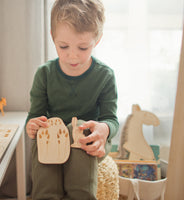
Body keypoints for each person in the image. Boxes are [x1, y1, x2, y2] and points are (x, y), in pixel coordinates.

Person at [26, 0, 119, 199]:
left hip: (88, 139)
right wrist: (32, 126)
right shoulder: (44, 74)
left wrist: (105, 129)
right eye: (64, 46)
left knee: (79, 129)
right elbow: (35, 117)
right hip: (54, 136)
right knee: (45, 135)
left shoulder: (105, 76)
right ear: (53, 37)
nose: (73, 56)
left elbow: (111, 119)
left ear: (97, 40)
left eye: (83, 48)